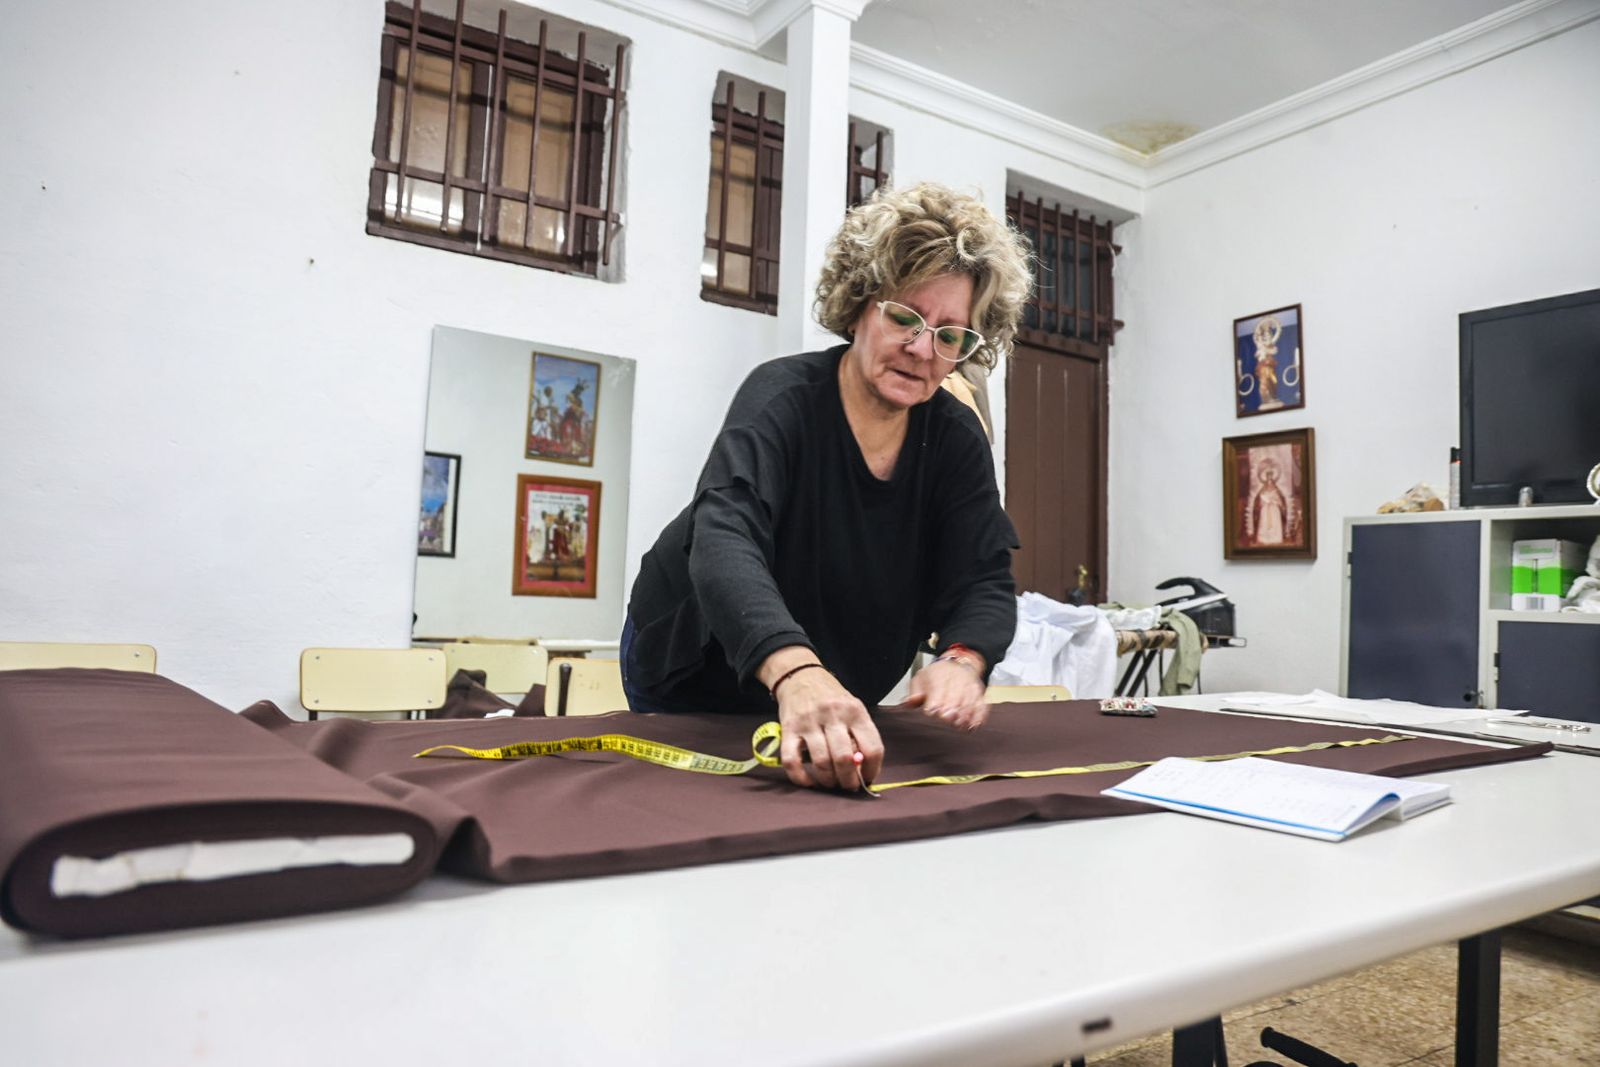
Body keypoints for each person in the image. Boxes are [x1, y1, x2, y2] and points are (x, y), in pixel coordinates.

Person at [621, 183, 1032, 793]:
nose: (923, 349)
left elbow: (984, 576)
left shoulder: (955, 439)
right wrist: (796, 674)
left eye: (950, 335)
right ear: (860, 303)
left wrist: (963, 658)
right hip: (696, 669)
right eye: (905, 317)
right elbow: (725, 540)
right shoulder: (781, 399)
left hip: (836, 681)